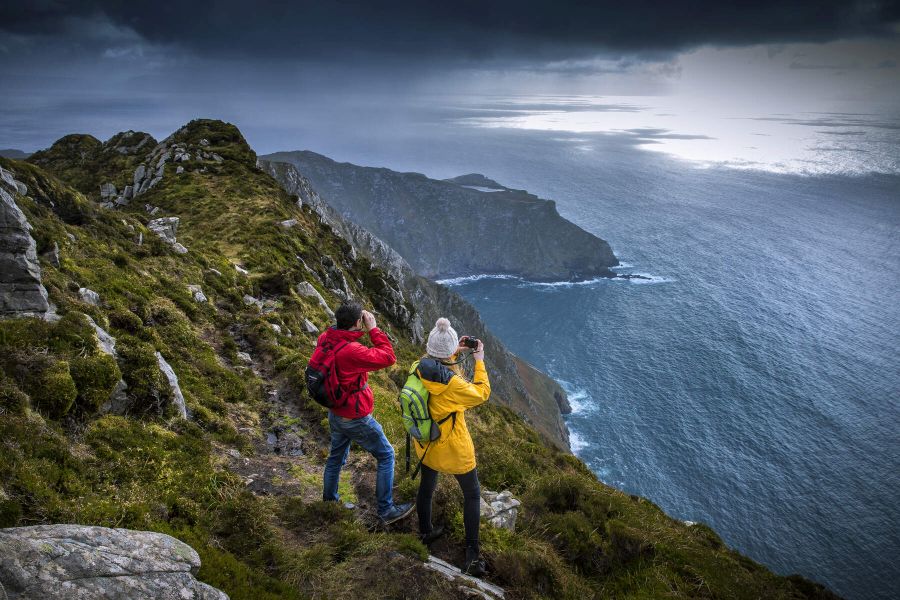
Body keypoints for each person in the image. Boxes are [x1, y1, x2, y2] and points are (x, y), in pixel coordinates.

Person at [320, 301, 414, 524]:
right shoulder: (351, 351)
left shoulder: (326, 338)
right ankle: (386, 510)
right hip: (354, 416)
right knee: (386, 454)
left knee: (335, 458)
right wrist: (373, 329)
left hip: (336, 411)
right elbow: (388, 357)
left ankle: (329, 504)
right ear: (357, 322)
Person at [413, 317, 491, 576]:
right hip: (454, 449)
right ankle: (472, 556)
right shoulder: (453, 384)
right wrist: (479, 361)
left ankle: (425, 532)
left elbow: (436, 362)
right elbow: (482, 393)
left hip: (427, 443)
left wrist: (453, 351)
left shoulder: (418, 366)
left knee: (427, 487)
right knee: (472, 494)